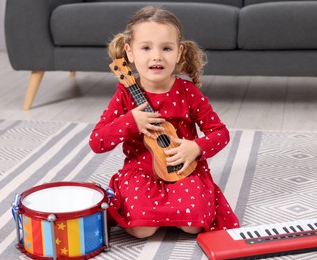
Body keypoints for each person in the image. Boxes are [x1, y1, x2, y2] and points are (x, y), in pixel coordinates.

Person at [89, 6, 240, 238]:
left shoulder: (187, 92)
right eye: (146, 47)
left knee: (194, 224)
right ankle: (152, 211)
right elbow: (97, 142)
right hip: (141, 172)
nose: (156, 56)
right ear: (130, 52)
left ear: (179, 53)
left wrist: (197, 147)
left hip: (183, 170)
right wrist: (130, 121)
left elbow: (220, 133)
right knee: (140, 229)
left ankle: (174, 210)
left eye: (166, 48)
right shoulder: (126, 94)